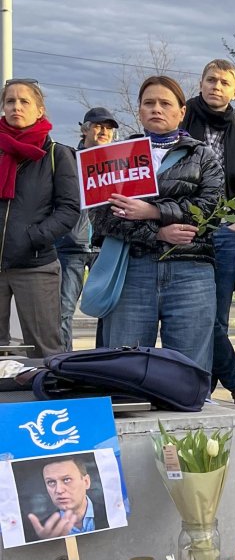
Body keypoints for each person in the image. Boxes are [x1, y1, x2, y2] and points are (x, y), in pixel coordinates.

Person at [91, 76, 223, 367]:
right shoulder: (114, 157)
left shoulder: (203, 156)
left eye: (165, 103)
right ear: (139, 110)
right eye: (149, 103)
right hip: (133, 270)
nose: (156, 109)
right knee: (124, 368)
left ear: (181, 111)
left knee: (189, 371)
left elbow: (210, 210)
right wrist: (159, 234)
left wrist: (152, 212)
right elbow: (102, 218)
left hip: (191, 272)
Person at [180, 58, 235, 426]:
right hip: (182, 229)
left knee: (215, 318)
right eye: (211, 79)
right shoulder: (180, 122)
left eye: (224, 82)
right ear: (200, 83)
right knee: (191, 315)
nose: (216, 86)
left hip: (226, 233)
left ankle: (204, 394)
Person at [0, 79, 79, 358]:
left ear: (40, 110)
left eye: (24, 101)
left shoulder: (57, 154)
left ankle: (47, 401)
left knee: (44, 351)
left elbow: (69, 208)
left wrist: (34, 237)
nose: (16, 106)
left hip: (35, 266)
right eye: (10, 101)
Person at [55, 107, 117, 350]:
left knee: (110, 310)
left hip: (106, 246)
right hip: (71, 245)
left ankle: (104, 363)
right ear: (84, 129)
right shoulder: (68, 160)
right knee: (63, 310)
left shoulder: (120, 164)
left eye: (109, 128)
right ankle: (64, 362)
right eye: (98, 126)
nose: (103, 131)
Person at [26, 456, 108, 540]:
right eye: (51, 482)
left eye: (67, 480)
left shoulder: (111, 513)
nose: (59, 490)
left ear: (86, 482)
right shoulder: (41, 532)